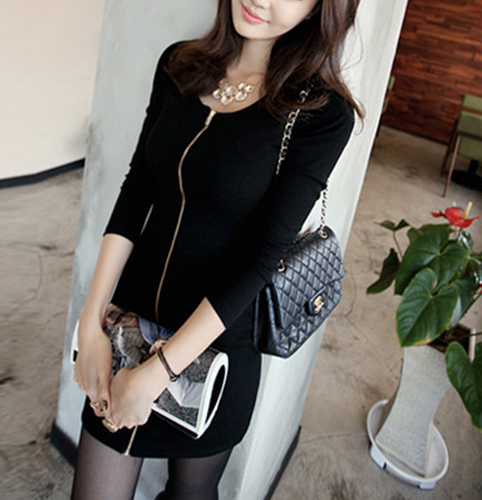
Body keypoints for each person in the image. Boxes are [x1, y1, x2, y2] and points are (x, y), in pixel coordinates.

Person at [71, 0, 362, 499]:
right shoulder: (179, 65)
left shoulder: (320, 114)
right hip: (129, 330)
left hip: (217, 350)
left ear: (321, 8)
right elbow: (137, 190)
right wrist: (90, 321)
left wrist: (161, 372)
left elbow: (260, 258)